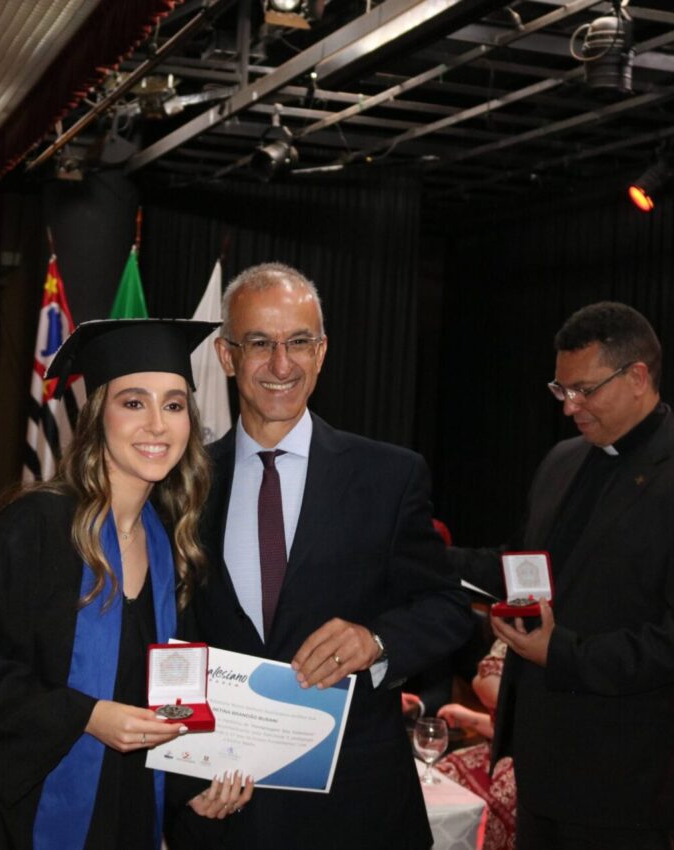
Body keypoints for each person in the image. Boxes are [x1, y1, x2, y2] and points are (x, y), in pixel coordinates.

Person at [166, 263, 473, 850]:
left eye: (299, 342)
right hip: (224, 811)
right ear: (227, 356)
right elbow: (163, 640)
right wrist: (184, 778)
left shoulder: (389, 477)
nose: (282, 365)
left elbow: (447, 606)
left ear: (322, 351)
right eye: (260, 343)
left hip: (355, 812)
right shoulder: (183, 484)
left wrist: (376, 641)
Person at [0, 319, 252, 850]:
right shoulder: (36, 527)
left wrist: (194, 782)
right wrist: (86, 717)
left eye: (173, 405)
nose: (157, 425)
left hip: (124, 808)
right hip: (12, 815)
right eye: (134, 403)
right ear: (98, 416)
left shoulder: (171, 544)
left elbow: (170, 693)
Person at [446, 302, 674, 848]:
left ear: (638, 377)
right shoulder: (563, 461)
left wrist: (562, 652)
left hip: (625, 778)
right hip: (542, 759)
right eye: (561, 390)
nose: (570, 407)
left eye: (584, 390)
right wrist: (433, 561)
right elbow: (525, 566)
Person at [437, 641, 516, 850]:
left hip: (532, 767)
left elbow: (528, 731)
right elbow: (510, 729)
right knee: (441, 776)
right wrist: (472, 719)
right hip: (498, 748)